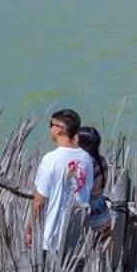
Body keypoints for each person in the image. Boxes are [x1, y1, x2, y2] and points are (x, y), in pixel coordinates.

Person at [26, 107, 94, 253]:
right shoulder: (86, 159)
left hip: (52, 236)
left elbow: (39, 200)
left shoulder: (51, 159)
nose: (49, 129)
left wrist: (30, 228)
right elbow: (88, 191)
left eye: (51, 124)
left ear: (59, 129)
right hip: (77, 237)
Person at [76, 124, 113, 239]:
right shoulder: (101, 160)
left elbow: (74, 190)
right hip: (103, 212)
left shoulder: (83, 165)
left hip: (90, 217)